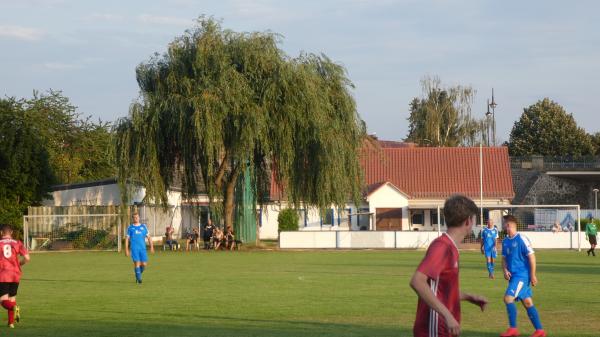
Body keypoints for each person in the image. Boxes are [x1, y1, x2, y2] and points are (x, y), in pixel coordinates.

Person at [410, 195, 488, 337]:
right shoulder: (442, 247)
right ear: (468, 221)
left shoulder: (451, 248)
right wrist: (447, 315)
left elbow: (440, 291)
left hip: (444, 329)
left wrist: (468, 297)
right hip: (434, 329)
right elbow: (417, 281)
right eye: (474, 220)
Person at [499, 215, 546, 337]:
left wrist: (533, 275)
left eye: (504, 223)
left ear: (509, 225)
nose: (503, 225)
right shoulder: (505, 241)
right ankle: (540, 331)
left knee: (508, 298)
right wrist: (504, 270)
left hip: (522, 276)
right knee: (528, 303)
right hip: (514, 277)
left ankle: (513, 329)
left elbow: (532, 257)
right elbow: (503, 258)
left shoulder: (522, 239)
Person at [0, 224, 29, 328]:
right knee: (12, 298)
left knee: (3, 300)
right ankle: (11, 323)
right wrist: (19, 264)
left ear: (1, 233)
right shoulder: (17, 242)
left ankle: (14, 308)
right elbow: (27, 258)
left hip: (3, 274)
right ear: (11, 232)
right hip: (15, 274)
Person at [125, 212, 154, 284]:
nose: (136, 218)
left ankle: (137, 275)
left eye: (137, 217)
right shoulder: (130, 227)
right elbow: (127, 239)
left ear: (139, 218)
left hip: (143, 249)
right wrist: (126, 249)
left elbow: (149, 237)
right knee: (137, 263)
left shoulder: (144, 227)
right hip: (134, 248)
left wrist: (151, 247)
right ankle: (139, 279)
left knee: (144, 264)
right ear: (133, 219)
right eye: (134, 217)